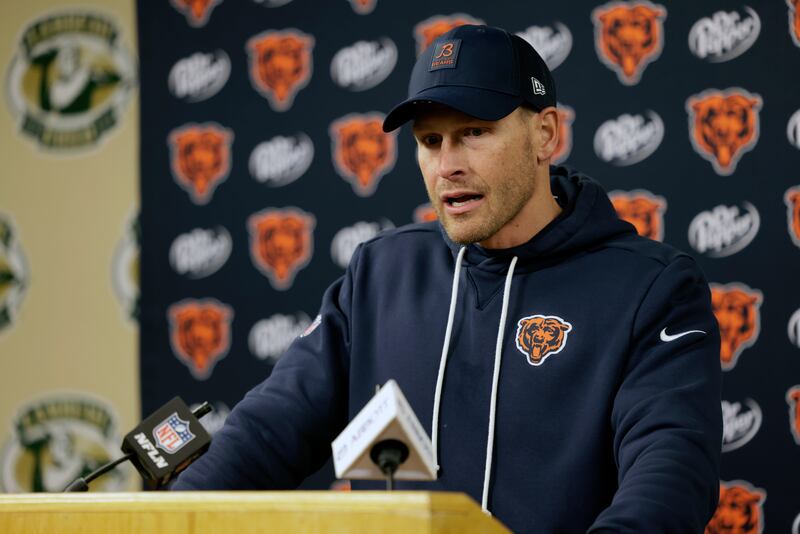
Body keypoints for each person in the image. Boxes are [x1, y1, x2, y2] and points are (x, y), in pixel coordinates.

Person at [173, 25, 722, 533]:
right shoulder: (381, 274)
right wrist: (174, 519)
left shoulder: (649, 288)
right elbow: (269, 430)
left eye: (473, 133)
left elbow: (669, 473)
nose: (447, 166)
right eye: (430, 141)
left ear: (545, 135)